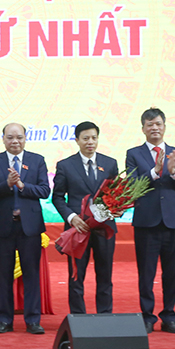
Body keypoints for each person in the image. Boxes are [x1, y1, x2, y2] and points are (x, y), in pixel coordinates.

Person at [126, 107, 175, 334]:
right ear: (143, 129)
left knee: (172, 272)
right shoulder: (134, 154)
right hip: (146, 223)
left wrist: (173, 172)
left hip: (172, 222)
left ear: (164, 126)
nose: (154, 128)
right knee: (146, 273)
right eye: (150, 125)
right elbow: (132, 186)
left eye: (158, 124)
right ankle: (147, 317)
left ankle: (169, 316)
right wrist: (154, 171)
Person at [0, 123, 50, 335]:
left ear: (25, 138)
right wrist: (7, 184)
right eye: (10, 137)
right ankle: (4, 320)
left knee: (31, 274)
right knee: (4, 275)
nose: (15, 141)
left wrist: (22, 186)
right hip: (3, 227)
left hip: (29, 228)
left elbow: (44, 191)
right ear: (3, 139)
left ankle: (33, 320)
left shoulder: (37, 160)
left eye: (19, 137)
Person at [52, 121, 119, 314]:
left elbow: (116, 194)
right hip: (78, 228)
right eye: (86, 138)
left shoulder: (110, 163)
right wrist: (71, 217)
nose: (90, 142)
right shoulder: (65, 165)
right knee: (76, 276)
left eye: (94, 138)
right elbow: (57, 197)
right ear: (77, 140)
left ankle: (105, 315)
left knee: (105, 275)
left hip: (104, 228)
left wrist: (116, 209)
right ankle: (78, 318)